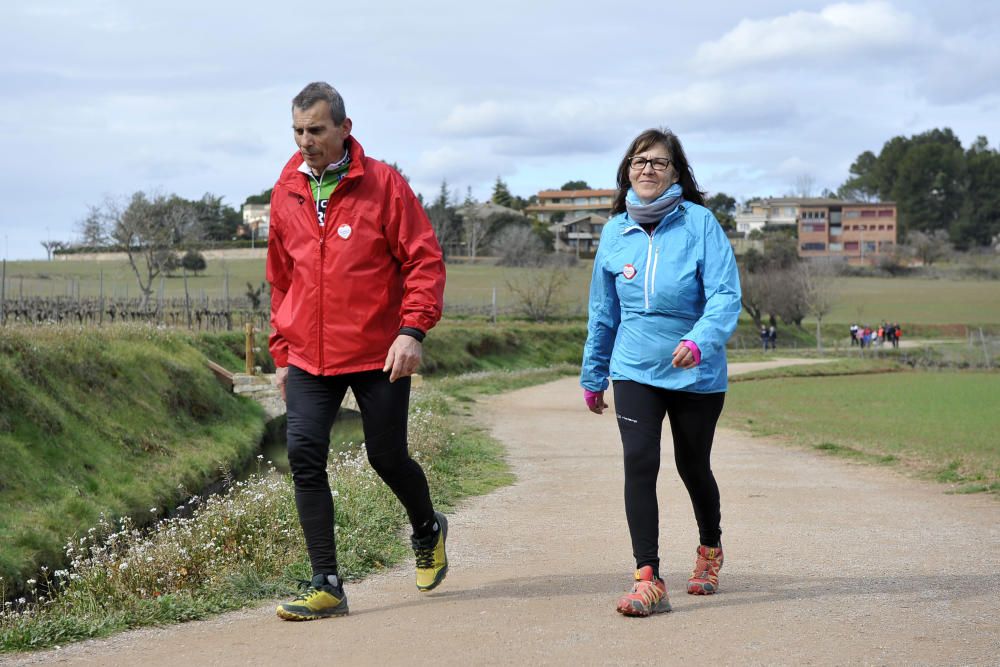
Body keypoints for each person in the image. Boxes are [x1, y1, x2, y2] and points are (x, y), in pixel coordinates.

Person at [266, 82, 449, 621]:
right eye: (298, 131)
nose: (306, 141)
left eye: (316, 130)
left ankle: (427, 527)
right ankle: (327, 583)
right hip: (307, 356)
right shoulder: (285, 190)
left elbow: (424, 261)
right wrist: (282, 351)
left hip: (379, 350)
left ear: (345, 128)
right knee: (303, 456)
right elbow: (280, 278)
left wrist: (411, 331)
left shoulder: (383, 185)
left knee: (385, 456)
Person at [580, 128, 741, 617]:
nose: (647, 168)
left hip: (696, 370)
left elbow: (725, 295)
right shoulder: (614, 232)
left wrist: (699, 340)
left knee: (693, 466)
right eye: (638, 160)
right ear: (627, 170)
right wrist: (594, 373)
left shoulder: (700, 224)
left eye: (659, 161)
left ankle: (709, 550)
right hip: (633, 367)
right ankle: (648, 576)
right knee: (639, 463)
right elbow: (603, 312)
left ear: (676, 172)